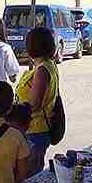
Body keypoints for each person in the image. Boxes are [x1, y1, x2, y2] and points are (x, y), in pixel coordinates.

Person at [15, 27, 60, 172]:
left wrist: (11, 110)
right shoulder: (46, 66)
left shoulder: (41, 70)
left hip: (35, 129)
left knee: (29, 176)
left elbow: (34, 104)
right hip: (35, 129)